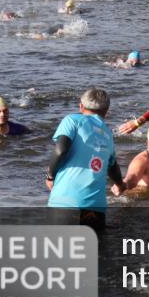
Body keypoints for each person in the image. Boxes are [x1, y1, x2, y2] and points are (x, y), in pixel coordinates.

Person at [45, 87, 126, 234]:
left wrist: (50, 176)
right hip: (96, 207)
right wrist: (120, 184)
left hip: (65, 204)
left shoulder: (72, 120)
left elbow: (60, 150)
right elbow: (112, 166)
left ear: (81, 106)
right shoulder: (108, 133)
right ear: (106, 111)